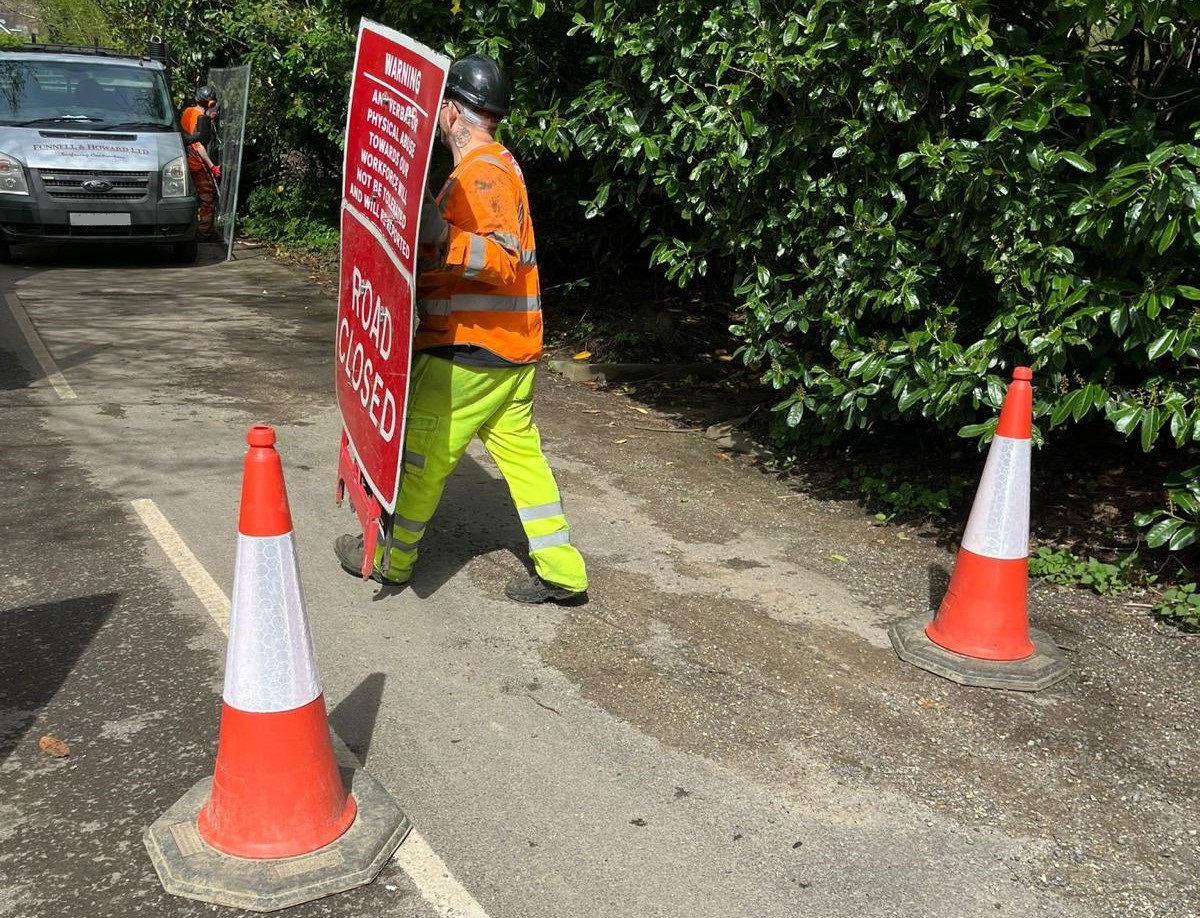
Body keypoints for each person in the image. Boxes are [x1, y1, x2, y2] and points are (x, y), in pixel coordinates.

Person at [334, 53, 588, 605]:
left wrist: (437, 237)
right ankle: (563, 570)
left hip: (470, 352)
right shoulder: (499, 166)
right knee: (524, 463)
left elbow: (501, 261)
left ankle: (388, 562)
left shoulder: (480, 175)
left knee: (420, 460)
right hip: (511, 353)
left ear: (451, 112)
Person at [179, 84, 221, 240]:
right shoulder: (198, 117)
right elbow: (198, 145)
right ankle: (204, 233)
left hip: (185, 159)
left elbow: (191, 127)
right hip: (195, 161)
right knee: (207, 197)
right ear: (211, 102)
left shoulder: (188, 112)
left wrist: (208, 119)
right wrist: (212, 166)